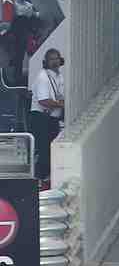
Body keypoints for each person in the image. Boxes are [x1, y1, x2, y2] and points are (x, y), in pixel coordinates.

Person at [29, 48, 65, 189]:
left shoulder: (59, 77)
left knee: (51, 151)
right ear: (46, 62)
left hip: (52, 119)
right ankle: (39, 180)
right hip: (41, 118)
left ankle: (47, 179)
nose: (55, 61)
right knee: (44, 151)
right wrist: (60, 104)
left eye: (57, 58)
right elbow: (43, 101)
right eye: (52, 59)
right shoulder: (43, 77)